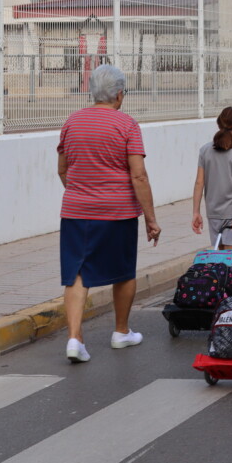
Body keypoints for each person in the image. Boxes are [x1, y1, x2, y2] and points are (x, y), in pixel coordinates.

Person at [57, 64, 161, 364]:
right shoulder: (127, 125)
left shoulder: (72, 122)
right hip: (118, 212)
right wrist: (151, 219)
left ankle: (75, 339)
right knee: (124, 270)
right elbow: (139, 176)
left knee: (76, 272)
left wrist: (82, 191)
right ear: (119, 94)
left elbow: (62, 169)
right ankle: (121, 331)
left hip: (76, 212)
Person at [191, 107, 232, 247]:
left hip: (213, 213)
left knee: (219, 263)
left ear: (219, 125)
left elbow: (199, 183)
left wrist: (196, 212)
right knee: (230, 262)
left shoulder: (205, 150)